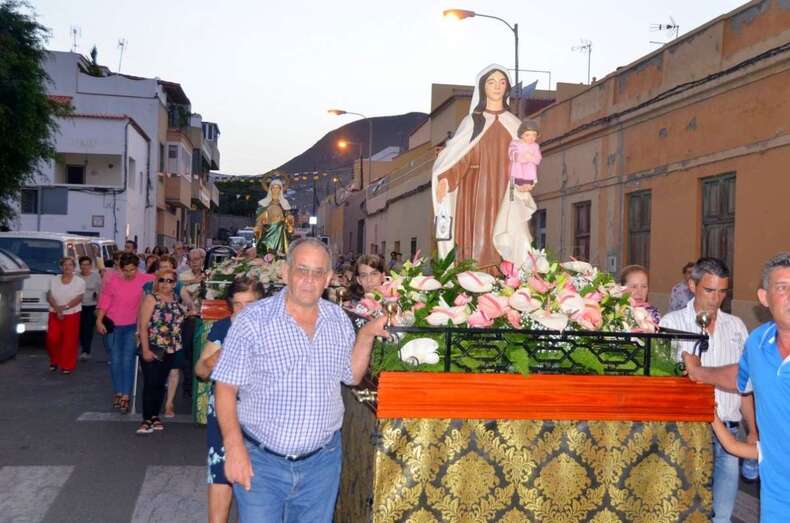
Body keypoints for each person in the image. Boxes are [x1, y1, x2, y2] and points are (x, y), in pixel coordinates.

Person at [212, 238, 388, 522]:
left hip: (321, 466)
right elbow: (225, 387)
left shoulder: (338, 320)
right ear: (285, 272)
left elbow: (352, 376)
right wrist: (233, 449)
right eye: (302, 270)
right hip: (261, 463)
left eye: (318, 272)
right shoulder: (253, 321)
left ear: (328, 278)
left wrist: (366, 335)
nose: (309, 279)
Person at [685, 252, 790, 522]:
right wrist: (698, 373)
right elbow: (740, 378)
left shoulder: (738, 328)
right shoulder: (758, 342)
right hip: (777, 500)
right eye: (782, 287)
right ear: (764, 298)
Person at [660, 257, 754, 523]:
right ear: (692, 285)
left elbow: (745, 385)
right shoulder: (671, 323)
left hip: (730, 429)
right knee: (686, 508)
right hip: (688, 432)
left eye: (722, 291)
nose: (716, 299)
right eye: (709, 290)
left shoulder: (736, 327)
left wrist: (753, 429)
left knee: (722, 515)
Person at [432, 64, 536, 271]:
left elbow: (526, 158)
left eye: (502, 82)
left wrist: (525, 181)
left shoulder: (515, 124)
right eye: (491, 82)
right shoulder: (472, 122)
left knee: (507, 236)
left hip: (505, 190)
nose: (497, 86)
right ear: (482, 87)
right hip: (474, 190)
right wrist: (446, 177)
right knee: (477, 238)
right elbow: (459, 156)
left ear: (507, 87)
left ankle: (504, 277)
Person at [195, 277, 265, 523]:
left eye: (250, 304)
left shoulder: (274, 329)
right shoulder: (223, 328)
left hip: (262, 417)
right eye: (238, 304)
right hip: (224, 415)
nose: (244, 310)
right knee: (220, 475)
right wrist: (217, 357)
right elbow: (200, 371)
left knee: (260, 486)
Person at [96, 253, 155, 414]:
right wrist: (99, 320)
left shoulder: (146, 279)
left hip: (132, 326)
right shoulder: (113, 279)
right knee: (115, 360)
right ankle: (118, 391)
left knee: (127, 360)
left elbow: (165, 279)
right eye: (126, 270)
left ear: (138, 268)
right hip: (113, 325)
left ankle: (126, 395)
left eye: (133, 269)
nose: (130, 273)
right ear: (120, 268)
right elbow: (105, 300)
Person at [136, 267, 185, 435]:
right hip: (153, 346)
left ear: (175, 284)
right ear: (157, 282)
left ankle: (155, 416)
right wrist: (145, 349)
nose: (165, 284)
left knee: (159, 384)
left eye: (170, 281)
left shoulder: (176, 299)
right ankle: (146, 419)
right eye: (162, 280)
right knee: (150, 383)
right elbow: (143, 326)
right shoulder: (151, 299)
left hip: (171, 349)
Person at [46, 257, 86, 374]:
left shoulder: (80, 282)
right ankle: (54, 360)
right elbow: (49, 296)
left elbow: (79, 298)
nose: (67, 267)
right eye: (65, 265)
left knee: (69, 340)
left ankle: (67, 365)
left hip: (72, 314)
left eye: (70, 265)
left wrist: (65, 308)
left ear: (74, 267)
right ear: (61, 267)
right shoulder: (54, 280)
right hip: (54, 312)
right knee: (52, 339)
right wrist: (58, 309)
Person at [177, 248, 206, 401]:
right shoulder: (183, 276)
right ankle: (187, 385)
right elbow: (177, 290)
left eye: (197, 259)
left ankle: (200, 386)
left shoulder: (210, 275)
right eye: (192, 260)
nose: (194, 263)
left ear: (203, 260)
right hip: (188, 320)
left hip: (205, 319)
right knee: (187, 353)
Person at [77, 256, 101, 361]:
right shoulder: (76, 276)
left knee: (87, 329)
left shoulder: (96, 276)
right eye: (83, 264)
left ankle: (86, 351)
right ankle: (81, 347)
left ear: (91, 266)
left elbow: (100, 292)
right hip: (78, 306)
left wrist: (99, 307)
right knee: (80, 328)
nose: (85, 267)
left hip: (91, 306)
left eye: (87, 264)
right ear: (80, 266)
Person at [507, 119, 542, 191]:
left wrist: (532, 158)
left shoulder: (535, 146)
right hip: (517, 172)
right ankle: (513, 193)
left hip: (529, 174)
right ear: (521, 135)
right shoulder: (515, 143)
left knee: (526, 191)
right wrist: (522, 157)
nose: (531, 137)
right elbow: (512, 154)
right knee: (513, 190)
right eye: (527, 135)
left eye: (534, 135)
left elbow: (538, 158)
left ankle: (525, 188)